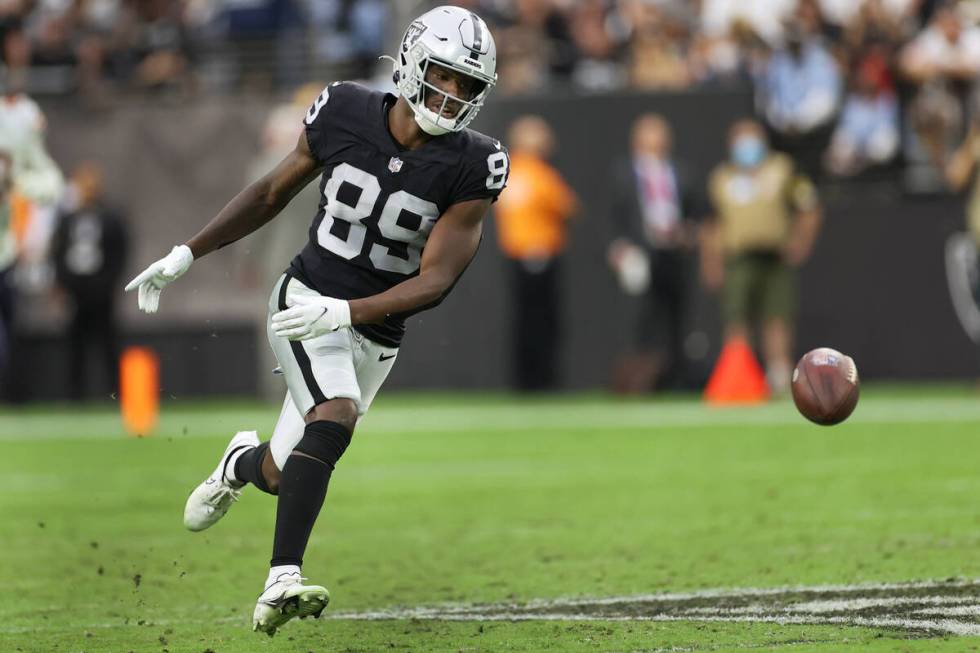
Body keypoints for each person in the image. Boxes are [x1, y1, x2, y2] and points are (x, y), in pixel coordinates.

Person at [125, 6, 508, 637]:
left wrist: (352, 312)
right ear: (412, 61)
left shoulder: (475, 163)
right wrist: (186, 252)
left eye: (469, 85)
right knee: (336, 414)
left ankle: (238, 466)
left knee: (283, 472)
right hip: (305, 303)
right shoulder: (345, 111)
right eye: (445, 75)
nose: (454, 94)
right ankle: (282, 579)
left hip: (376, 330)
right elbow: (270, 193)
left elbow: (437, 279)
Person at [701, 120, 822, 395]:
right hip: (738, 256)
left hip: (774, 255)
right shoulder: (722, 177)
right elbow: (711, 224)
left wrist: (800, 242)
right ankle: (740, 376)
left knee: (777, 317)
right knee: (737, 318)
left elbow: (810, 206)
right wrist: (711, 261)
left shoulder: (782, 169)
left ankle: (778, 376)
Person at [607, 114, 700, 393]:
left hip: (674, 252)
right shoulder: (622, 173)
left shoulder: (681, 172)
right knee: (643, 318)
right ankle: (640, 380)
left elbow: (695, 213)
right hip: (641, 252)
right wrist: (618, 247)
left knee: (676, 318)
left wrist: (687, 232)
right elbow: (612, 216)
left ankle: (674, 378)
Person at [494, 115, 577, 391]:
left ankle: (526, 380)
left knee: (525, 321)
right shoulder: (538, 173)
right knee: (542, 322)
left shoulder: (509, 171)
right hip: (538, 254)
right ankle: (542, 380)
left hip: (516, 255)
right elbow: (567, 206)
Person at [51, 162, 128, 400]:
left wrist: (109, 282)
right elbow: (58, 252)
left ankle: (115, 393)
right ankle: (75, 396)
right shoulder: (68, 219)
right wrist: (64, 283)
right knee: (75, 345)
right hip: (77, 290)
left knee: (107, 343)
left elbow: (119, 252)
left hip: (101, 289)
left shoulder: (110, 218)